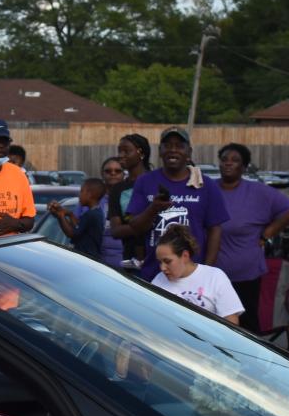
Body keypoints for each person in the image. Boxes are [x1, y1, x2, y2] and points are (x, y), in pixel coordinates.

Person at [125, 127, 228, 282]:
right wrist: (154, 208)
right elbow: (135, 228)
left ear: (189, 152)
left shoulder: (206, 185)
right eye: (167, 145)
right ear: (160, 151)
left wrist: (206, 272)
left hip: (193, 274)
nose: (173, 150)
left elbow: (215, 230)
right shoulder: (145, 181)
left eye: (179, 146)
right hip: (155, 273)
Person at [212, 142, 289, 330]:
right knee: (214, 326)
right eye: (224, 160)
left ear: (244, 166)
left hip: (245, 274)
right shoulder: (210, 188)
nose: (228, 163)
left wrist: (267, 233)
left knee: (245, 326)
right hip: (213, 272)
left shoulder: (258, 191)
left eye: (235, 160)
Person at [150, 224, 242, 323]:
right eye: (160, 262)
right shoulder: (158, 280)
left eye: (167, 261)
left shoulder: (215, 276)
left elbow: (231, 320)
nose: (162, 268)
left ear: (185, 256)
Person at [48, 178, 107, 261]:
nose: (79, 195)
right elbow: (79, 226)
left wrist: (60, 216)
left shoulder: (90, 215)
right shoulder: (97, 212)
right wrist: (69, 214)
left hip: (87, 258)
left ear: (89, 194)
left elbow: (72, 233)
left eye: (82, 191)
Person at [96, 156, 129, 272]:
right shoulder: (92, 199)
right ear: (102, 174)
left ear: (124, 174)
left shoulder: (132, 197)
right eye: (108, 171)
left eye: (118, 171)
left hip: (126, 267)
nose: (113, 173)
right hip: (96, 266)